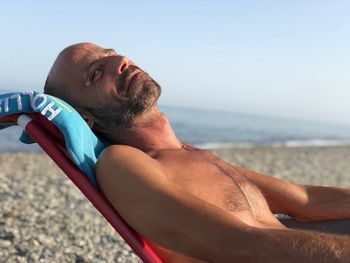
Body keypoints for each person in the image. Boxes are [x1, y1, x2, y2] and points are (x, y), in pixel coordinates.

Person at [44, 42, 350, 262]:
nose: (120, 60)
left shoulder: (192, 155)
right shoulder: (122, 164)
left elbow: (305, 201)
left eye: (110, 53)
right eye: (96, 73)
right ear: (85, 119)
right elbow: (235, 245)